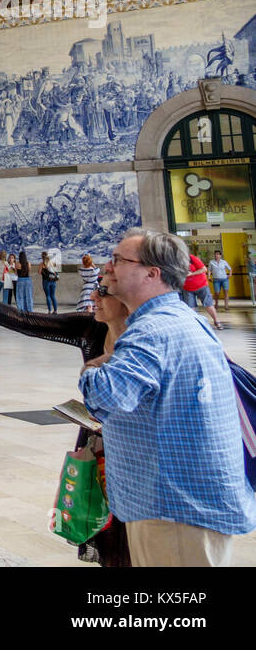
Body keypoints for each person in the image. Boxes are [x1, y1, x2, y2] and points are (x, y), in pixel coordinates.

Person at [80, 229, 256, 566]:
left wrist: (92, 368)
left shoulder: (153, 331)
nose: (109, 267)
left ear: (152, 273)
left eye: (119, 259)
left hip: (174, 510)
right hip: (180, 503)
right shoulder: (182, 318)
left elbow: (102, 398)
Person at [0, 274, 132, 565]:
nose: (93, 298)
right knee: (103, 526)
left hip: (134, 448)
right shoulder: (91, 327)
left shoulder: (146, 337)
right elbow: (25, 321)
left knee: (133, 533)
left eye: (103, 293)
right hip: (98, 443)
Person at [182, 253, 222, 331]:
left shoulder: (191, 258)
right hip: (187, 288)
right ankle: (193, 325)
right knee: (190, 307)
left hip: (201, 285)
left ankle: (216, 321)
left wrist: (191, 274)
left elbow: (204, 269)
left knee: (208, 304)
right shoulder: (173, 261)